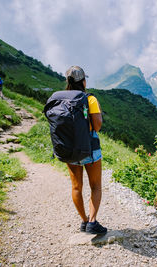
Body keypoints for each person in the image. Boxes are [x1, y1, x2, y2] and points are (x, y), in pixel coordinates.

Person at [64, 66, 107, 235]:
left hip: (69, 149)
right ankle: (92, 222)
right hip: (90, 148)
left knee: (76, 187)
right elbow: (97, 126)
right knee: (95, 186)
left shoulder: (60, 100)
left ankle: (83, 221)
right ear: (83, 81)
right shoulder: (90, 99)